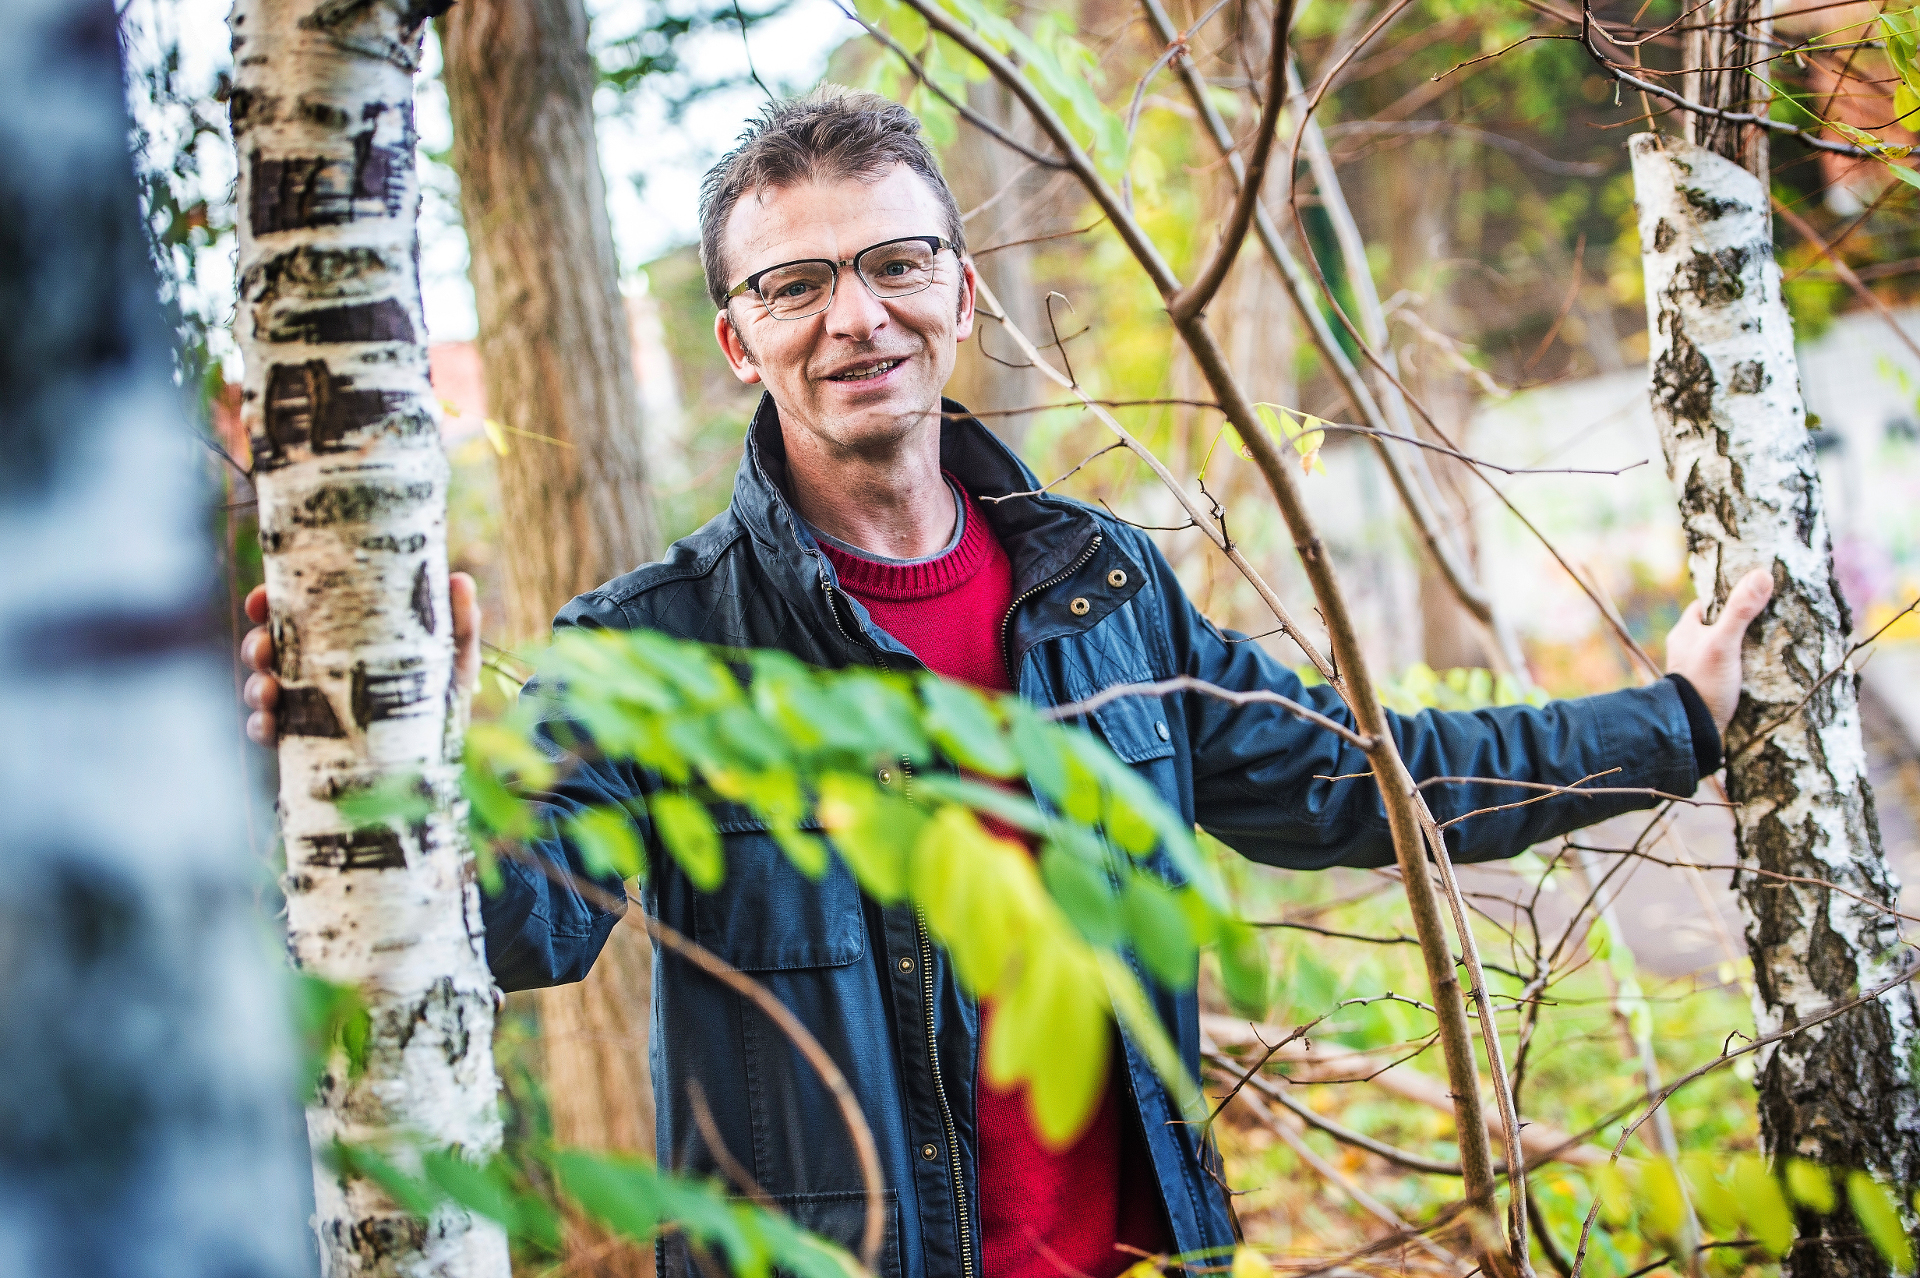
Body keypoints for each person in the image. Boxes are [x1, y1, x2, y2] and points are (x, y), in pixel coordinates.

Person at [242, 87, 1772, 1278]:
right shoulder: (652, 647)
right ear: (735, 338)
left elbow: (1356, 778)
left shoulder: (1095, 586)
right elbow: (524, 915)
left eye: (897, 263)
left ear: (962, 294)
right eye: (797, 285)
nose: (858, 315)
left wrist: (1677, 719)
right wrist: (380, 776)